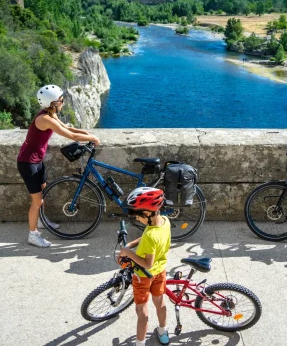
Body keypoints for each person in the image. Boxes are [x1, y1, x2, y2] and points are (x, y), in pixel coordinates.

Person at [17, 84, 100, 248]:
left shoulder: (51, 114)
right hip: (28, 162)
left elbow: (70, 128)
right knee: (37, 201)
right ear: (53, 103)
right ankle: (32, 235)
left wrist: (87, 134)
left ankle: (40, 221)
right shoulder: (44, 119)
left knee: (43, 191)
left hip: (37, 160)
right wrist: (94, 138)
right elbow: (70, 135)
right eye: (61, 100)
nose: (63, 102)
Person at [119, 187, 171, 346]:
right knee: (160, 303)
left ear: (147, 213)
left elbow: (147, 264)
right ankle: (163, 331)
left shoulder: (150, 236)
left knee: (142, 313)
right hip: (160, 271)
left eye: (137, 214)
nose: (135, 217)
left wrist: (128, 252)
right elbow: (148, 238)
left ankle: (140, 343)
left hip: (143, 276)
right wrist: (132, 244)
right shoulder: (164, 221)